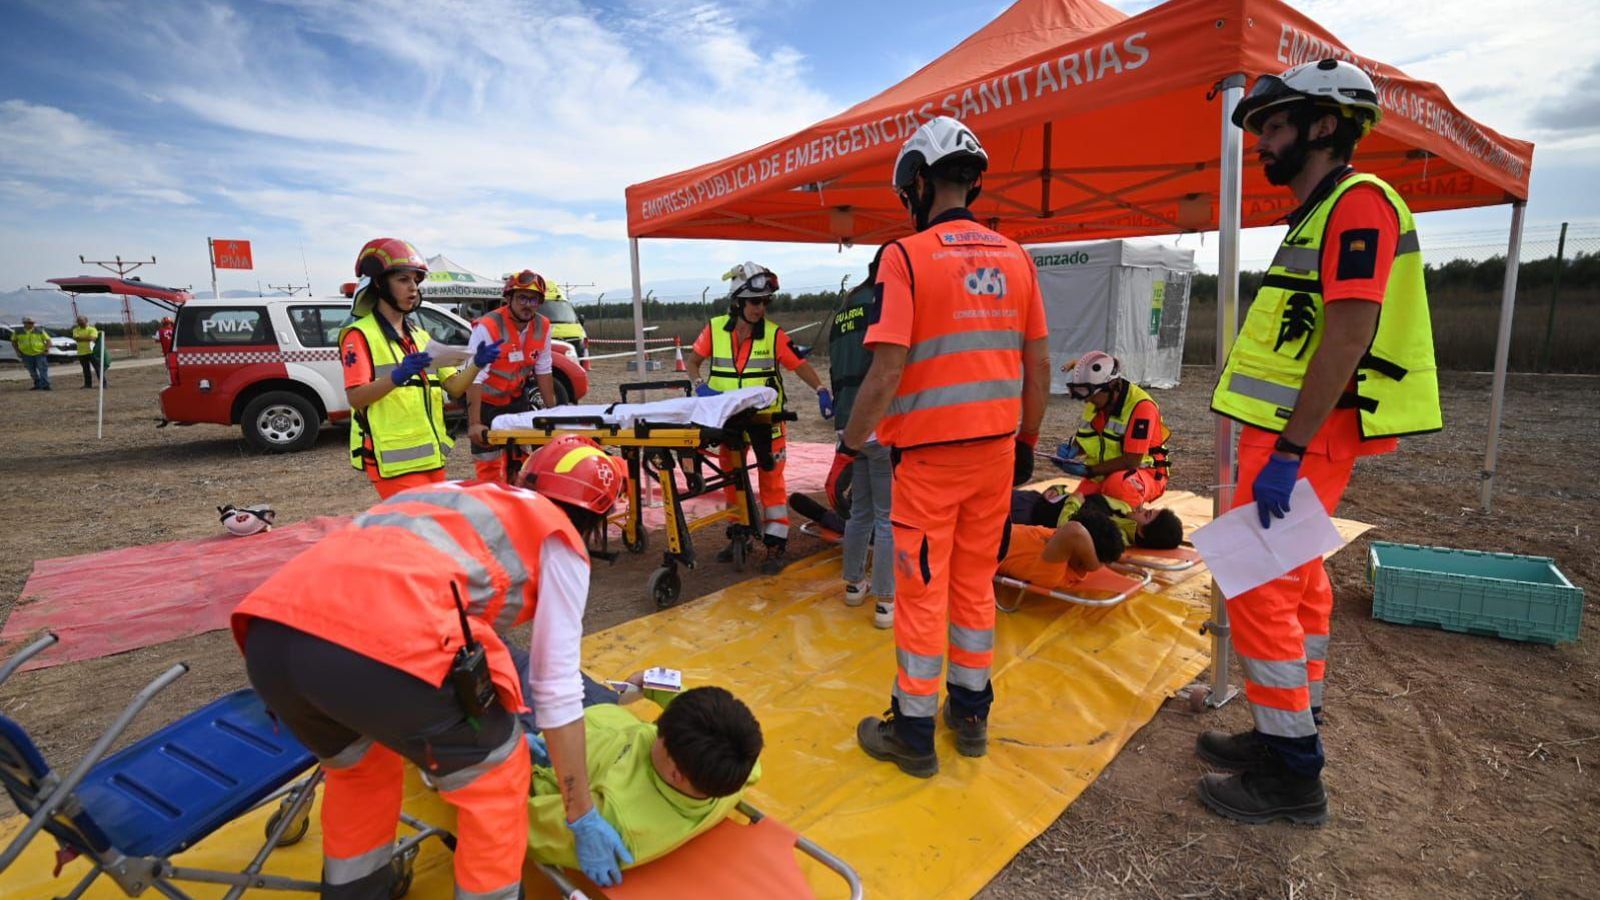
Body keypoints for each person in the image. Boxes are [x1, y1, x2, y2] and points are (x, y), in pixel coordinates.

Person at [1198, 58, 1442, 826]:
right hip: (1297, 436)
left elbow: (1348, 331)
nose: (1263, 141)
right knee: (1298, 587)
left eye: (1275, 125)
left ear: (1324, 125)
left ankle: (1292, 773)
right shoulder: (1324, 210)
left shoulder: (1357, 203)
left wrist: (1290, 451)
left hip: (1301, 439)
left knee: (1259, 589)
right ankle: (1289, 727)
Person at [233, 437, 635, 897]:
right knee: (497, 776)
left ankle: (357, 891)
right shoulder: (556, 539)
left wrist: (483, 725)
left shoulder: (452, 496)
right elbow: (556, 688)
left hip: (271, 638)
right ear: (598, 516)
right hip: (374, 650)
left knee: (361, 768)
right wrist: (580, 813)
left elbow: (444, 622)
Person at [839, 116, 1051, 777]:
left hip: (930, 462)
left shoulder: (904, 257)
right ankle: (971, 715)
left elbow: (886, 371)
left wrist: (849, 447)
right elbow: (1039, 364)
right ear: (971, 181)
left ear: (918, 184)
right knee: (974, 586)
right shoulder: (1018, 258)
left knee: (922, 594)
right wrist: (1028, 439)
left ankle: (912, 731)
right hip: (997, 455)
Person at [513, 657, 764, 876]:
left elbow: (515, 823)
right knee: (510, 655)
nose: (655, 732)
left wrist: (506, 755)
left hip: (541, 735)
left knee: (496, 663)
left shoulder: (614, 820)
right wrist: (654, 682)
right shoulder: (739, 763)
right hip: (600, 707)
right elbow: (704, 715)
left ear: (676, 774)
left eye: (659, 735)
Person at [685, 262, 832, 574]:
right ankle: (739, 533)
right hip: (729, 421)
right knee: (731, 478)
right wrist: (700, 386)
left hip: (768, 421)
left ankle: (775, 544)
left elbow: (799, 365)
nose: (760, 308)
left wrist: (821, 389)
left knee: (771, 480)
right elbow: (693, 361)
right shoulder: (714, 329)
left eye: (765, 302)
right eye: (754, 301)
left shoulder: (774, 335)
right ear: (738, 301)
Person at [338, 238, 503, 499]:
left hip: (430, 458)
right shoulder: (358, 335)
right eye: (403, 280)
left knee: (433, 521)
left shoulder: (419, 335)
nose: (413, 288)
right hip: (392, 463)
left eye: (416, 281)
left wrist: (477, 364)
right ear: (379, 283)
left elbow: (455, 387)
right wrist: (397, 376)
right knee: (419, 521)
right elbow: (356, 398)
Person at [827, 257, 895, 628]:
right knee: (888, 516)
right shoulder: (882, 307)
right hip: (878, 422)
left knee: (861, 512)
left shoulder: (844, 312)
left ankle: (854, 585)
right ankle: (886, 601)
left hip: (847, 425)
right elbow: (888, 368)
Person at [466, 269, 558, 482]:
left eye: (534, 300)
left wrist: (553, 413)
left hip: (516, 400)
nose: (528, 305)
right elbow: (474, 377)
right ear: (509, 299)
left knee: (519, 463)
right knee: (489, 466)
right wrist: (474, 423)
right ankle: (492, 498)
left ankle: (516, 497)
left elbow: (544, 370)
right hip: (486, 404)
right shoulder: (488, 326)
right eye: (522, 298)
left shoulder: (543, 326)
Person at [1051, 351, 1170, 509]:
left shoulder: (1142, 407)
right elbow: (1088, 440)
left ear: (1113, 386)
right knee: (1075, 506)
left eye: (1092, 394)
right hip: (1104, 473)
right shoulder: (1097, 403)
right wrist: (1072, 450)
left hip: (1144, 473)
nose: (1087, 400)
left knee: (1118, 487)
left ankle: (1129, 521)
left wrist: (1089, 470)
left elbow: (1132, 461)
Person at [1011, 486, 1185, 553]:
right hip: (1037, 499)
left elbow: (1066, 532)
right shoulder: (1124, 508)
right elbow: (1082, 497)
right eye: (1148, 509)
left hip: (1028, 515)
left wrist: (1073, 501)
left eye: (1146, 514)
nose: (1142, 508)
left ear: (1142, 532)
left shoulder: (1113, 536)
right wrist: (1058, 490)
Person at [12, 317, 51, 390]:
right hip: (26, 354)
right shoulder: (18, 331)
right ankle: (37, 384)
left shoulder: (39, 330)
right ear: (24, 323)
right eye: (30, 323)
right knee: (32, 371)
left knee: (42, 369)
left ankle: (46, 385)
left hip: (39, 353)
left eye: (33, 323)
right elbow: (14, 342)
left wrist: (46, 349)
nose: (32, 324)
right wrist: (17, 351)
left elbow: (48, 340)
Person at [71, 315, 101, 389]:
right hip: (81, 353)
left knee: (98, 368)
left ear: (86, 321)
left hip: (92, 352)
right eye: (78, 321)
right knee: (85, 370)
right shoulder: (75, 330)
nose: (80, 322)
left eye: (81, 321)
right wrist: (87, 338)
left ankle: (103, 384)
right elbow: (76, 338)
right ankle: (88, 385)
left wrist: (81, 338)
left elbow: (93, 338)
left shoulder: (92, 329)